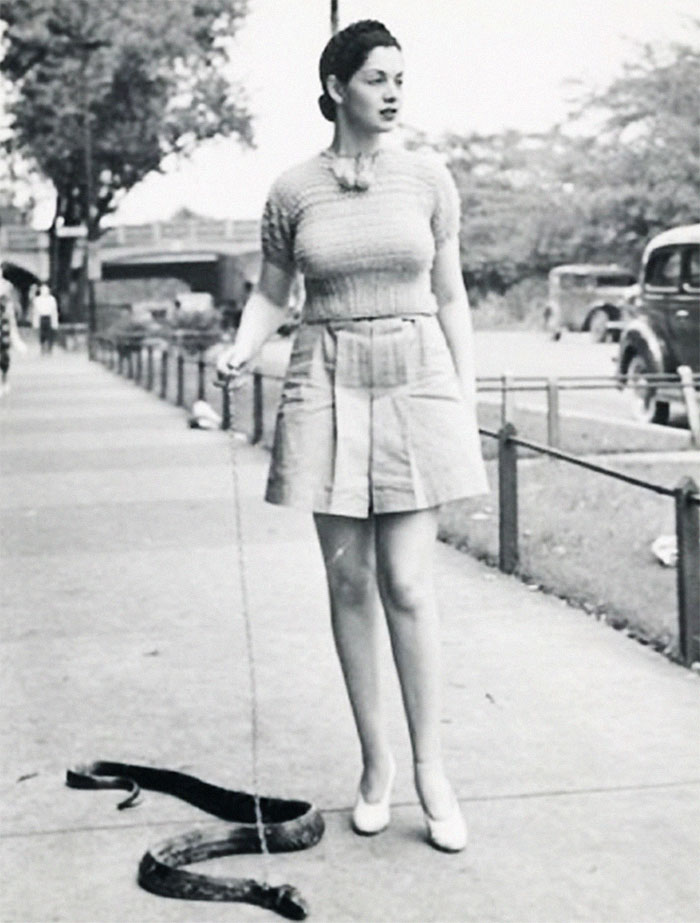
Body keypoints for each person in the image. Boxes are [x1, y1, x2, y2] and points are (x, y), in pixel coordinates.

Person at [217, 19, 488, 853]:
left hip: (415, 377)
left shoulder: (429, 179)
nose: (394, 91)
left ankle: (431, 769)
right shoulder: (293, 188)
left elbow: (450, 297)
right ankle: (376, 766)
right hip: (325, 375)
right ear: (337, 87)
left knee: (408, 581)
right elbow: (272, 291)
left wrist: (465, 395)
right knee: (349, 581)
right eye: (376, 77)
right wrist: (241, 346)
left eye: (400, 76)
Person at [0, 279, 27, 395]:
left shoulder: (6, 288)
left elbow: (11, 323)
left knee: (3, 356)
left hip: (3, 330)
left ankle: (4, 379)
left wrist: (17, 341)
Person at [32, 282, 59, 354]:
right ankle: (42, 348)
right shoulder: (38, 300)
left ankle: (50, 348)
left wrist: (55, 322)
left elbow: (54, 311)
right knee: (42, 334)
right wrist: (35, 323)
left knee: (50, 334)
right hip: (42, 318)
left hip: (49, 317)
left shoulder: (52, 299)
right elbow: (36, 312)